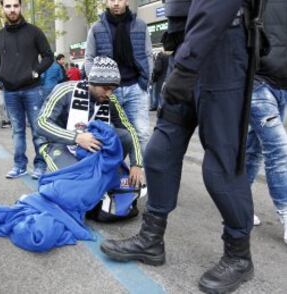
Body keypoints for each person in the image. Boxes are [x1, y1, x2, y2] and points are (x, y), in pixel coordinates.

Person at [100, 1, 256, 293]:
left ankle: (239, 255)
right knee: (159, 152)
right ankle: (151, 240)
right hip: (187, 43)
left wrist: (185, 65)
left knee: (221, 165)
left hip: (222, 43)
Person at [37, 56, 143, 188]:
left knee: (124, 136)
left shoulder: (111, 100)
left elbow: (130, 130)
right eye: (106, 88)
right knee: (76, 181)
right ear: (91, 81)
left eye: (113, 89)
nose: (109, 94)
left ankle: (106, 172)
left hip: (90, 143)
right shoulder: (64, 90)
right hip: (57, 143)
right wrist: (76, 137)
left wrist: (136, 164)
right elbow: (41, 123)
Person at [0, 0, 54, 180]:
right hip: (10, 92)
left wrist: (35, 72)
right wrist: (0, 74)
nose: (12, 10)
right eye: (8, 6)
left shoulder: (34, 31)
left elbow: (48, 56)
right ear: (2, 8)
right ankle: (19, 166)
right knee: (17, 131)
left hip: (33, 90)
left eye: (15, 6)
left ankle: (41, 165)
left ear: (21, 7)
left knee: (38, 130)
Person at [245, 0, 287, 245]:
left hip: (284, 84)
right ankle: (286, 213)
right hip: (259, 82)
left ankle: (241, 204)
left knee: (255, 149)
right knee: (279, 148)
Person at [85, 0, 153, 151]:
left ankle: (139, 171)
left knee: (141, 133)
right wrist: (96, 84)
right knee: (108, 134)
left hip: (136, 87)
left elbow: (148, 55)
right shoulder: (96, 28)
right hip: (108, 90)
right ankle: (114, 172)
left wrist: (146, 81)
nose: (116, 3)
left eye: (119, 0)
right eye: (111, 0)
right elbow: (89, 57)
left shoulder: (140, 25)